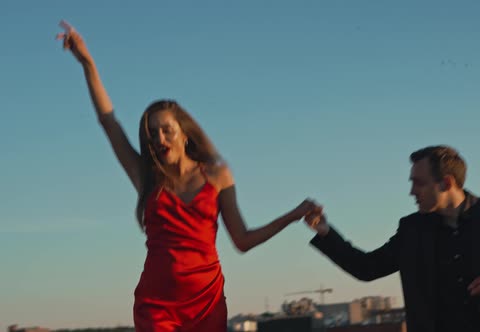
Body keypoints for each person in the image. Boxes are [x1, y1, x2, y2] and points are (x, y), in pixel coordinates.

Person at [57, 21, 321, 332]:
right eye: (152, 134)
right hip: (157, 306)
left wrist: (292, 215)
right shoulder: (147, 179)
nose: (160, 139)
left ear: (184, 133)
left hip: (205, 303)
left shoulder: (217, 174)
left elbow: (242, 240)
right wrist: (88, 63)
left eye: (166, 130)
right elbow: (109, 122)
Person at [304, 145, 480, 332]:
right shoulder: (411, 229)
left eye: (418, 183)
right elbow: (366, 268)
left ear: (446, 183)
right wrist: (326, 231)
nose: (411, 192)